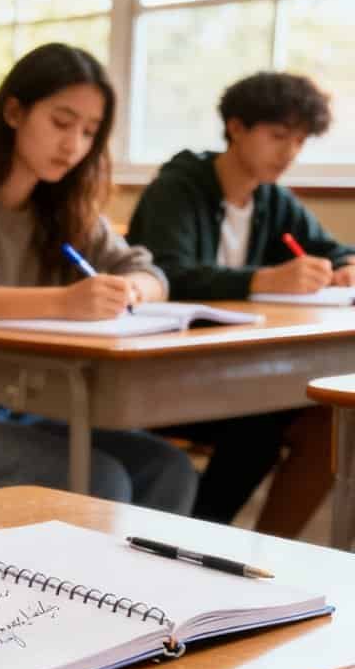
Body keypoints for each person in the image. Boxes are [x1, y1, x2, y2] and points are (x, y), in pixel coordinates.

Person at [0, 43, 196, 512]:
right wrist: (65, 302)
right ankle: (82, 588)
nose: (74, 145)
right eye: (61, 122)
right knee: (99, 480)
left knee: (168, 469)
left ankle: (135, 588)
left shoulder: (62, 205)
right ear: (14, 112)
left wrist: (130, 290)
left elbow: (149, 271)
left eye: (89, 131)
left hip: (26, 405)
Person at [128, 71, 353, 536]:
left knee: (330, 422)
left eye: (299, 141)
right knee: (261, 424)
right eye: (277, 136)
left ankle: (274, 551)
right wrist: (266, 278)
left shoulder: (271, 200)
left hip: (234, 368)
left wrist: (348, 264)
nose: (289, 152)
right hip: (166, 369)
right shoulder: (179, 187)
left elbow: (332, 249)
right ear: (235, 127)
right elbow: (168, 273)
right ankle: (205, 537)